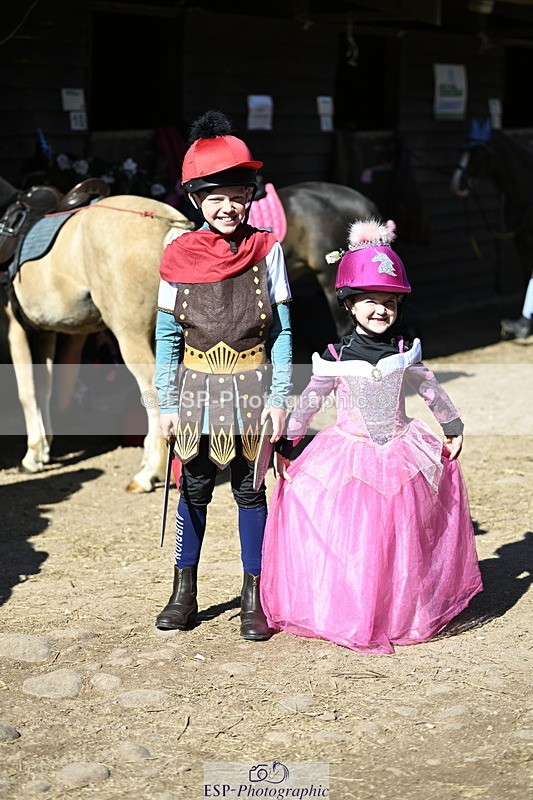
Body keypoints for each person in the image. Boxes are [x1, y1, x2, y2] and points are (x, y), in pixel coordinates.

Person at [261, 218, 483, 655]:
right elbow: (309, 401)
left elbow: (429, 387)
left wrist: (451, 425)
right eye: (370, 301)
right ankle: (353, 609)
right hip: (349, 455)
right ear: (349, 303)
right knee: (355, 538)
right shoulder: (334, 356)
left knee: (404, 536)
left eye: (390, 303)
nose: (381, 310)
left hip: (401, 451)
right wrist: (287, 444)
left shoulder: (405, 352)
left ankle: (407, 609)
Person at [154, 110, 292, 640]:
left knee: (250, 493)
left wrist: (281, 397)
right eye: (214, 197)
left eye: (237, 194)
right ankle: (183, 591)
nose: (227, 207)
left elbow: (280, 332)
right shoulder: (175, 255)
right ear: (195, 199)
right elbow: (167, 339)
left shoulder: (268, 250)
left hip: (254, 390)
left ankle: (252, 597)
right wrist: (165, 405)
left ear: (250, 195)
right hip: (193, 393)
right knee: (192, 491)